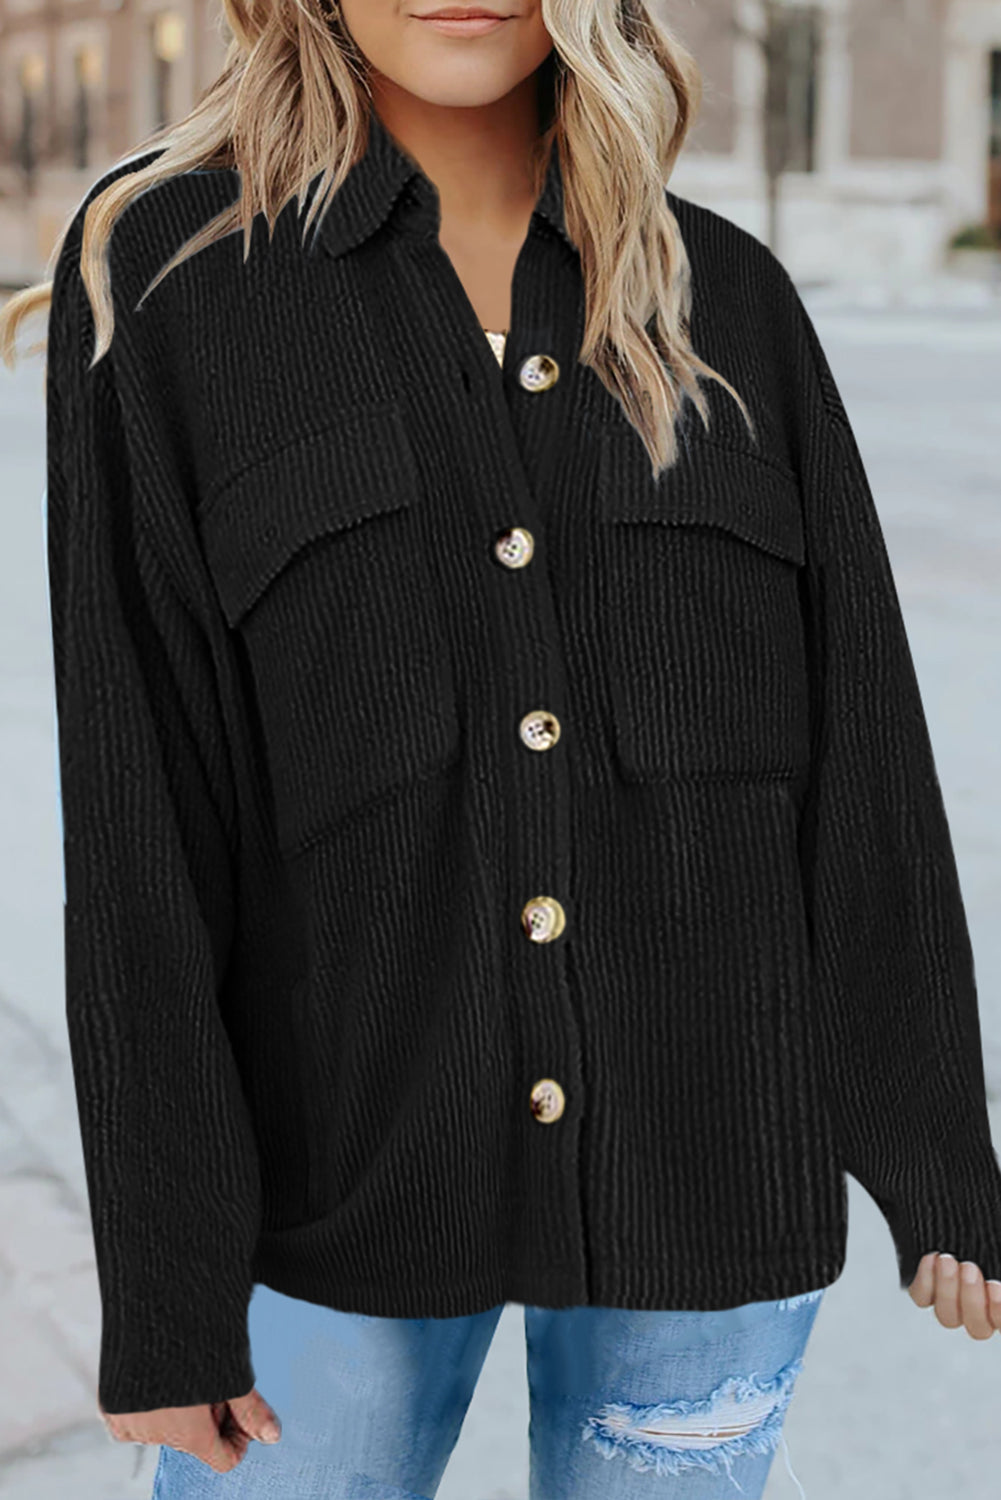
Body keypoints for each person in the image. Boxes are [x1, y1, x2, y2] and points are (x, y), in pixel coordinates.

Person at [3, 1, 1001, 1495]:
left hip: (713, 1165)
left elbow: (864, 760)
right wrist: (169, 1278)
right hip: (335, 1186)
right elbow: (142, 819)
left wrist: (932, 1147)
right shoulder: (171, 278)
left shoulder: (727, 298)